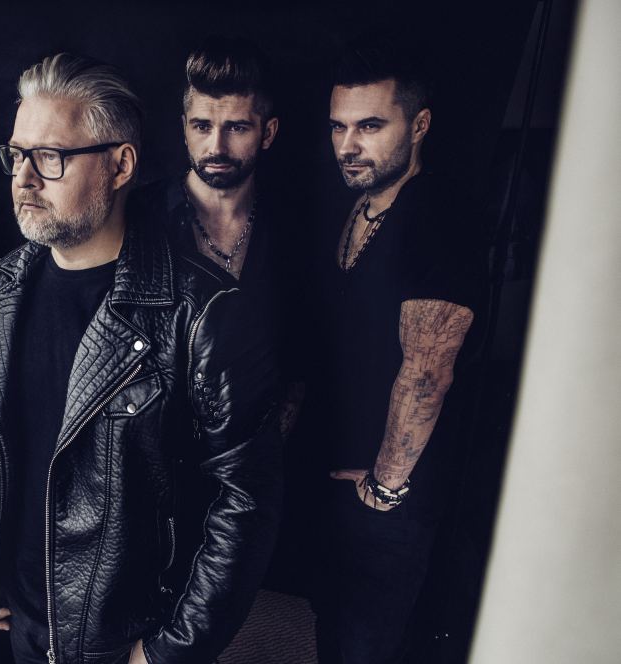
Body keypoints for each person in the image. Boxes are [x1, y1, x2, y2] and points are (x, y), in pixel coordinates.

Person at [0, 53, 283, 664]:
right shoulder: (4, 285)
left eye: (49, 157)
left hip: (125, 639)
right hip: (18, 615)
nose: (24, 179)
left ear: (120, 165)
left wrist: (169, 650)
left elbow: (244, 502)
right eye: (17, 155)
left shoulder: (200, 310)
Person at [308, 43, 483, 663]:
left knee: (366, 648)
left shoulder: (436, 218)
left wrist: (384, 489)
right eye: (339, 127)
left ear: (419, 124)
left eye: (370, 126)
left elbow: (428, 370)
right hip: (344, 481)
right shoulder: (361, 204)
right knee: (331, 634)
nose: (348, 145)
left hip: (393, 501)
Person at [132, 36, 306, 439]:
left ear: (268, 132)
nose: (217, 146)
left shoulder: (293, 228)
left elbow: (301, 353)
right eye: (202, 126)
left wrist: (268, 447)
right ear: (184, 129)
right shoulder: (138, 218)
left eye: (237, 127)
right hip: (156, 451)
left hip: (261, 452)